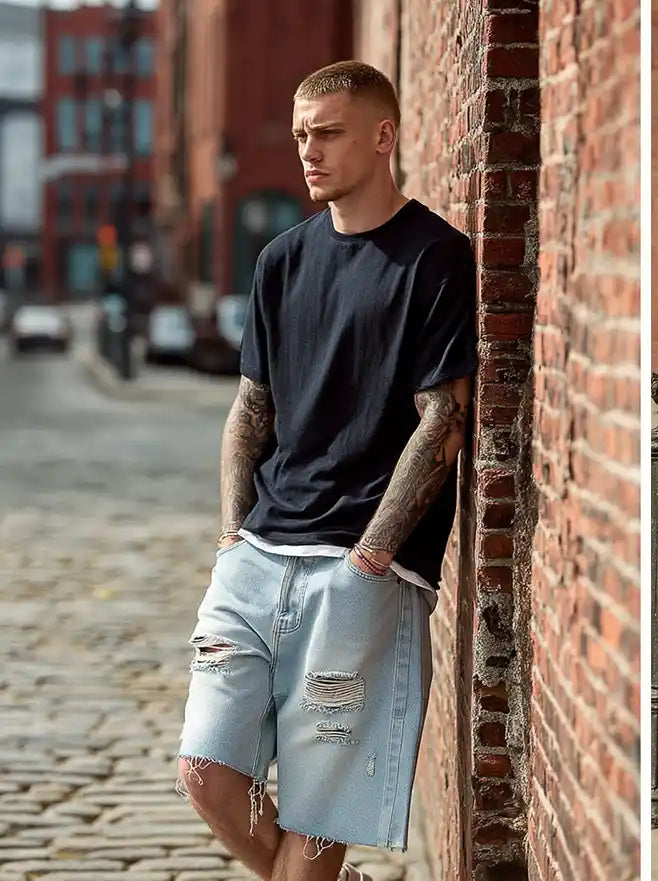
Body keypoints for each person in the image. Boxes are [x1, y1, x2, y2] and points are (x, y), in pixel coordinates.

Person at [175, 60, 476, 881]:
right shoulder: (281, 260)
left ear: (383, 137)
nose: (308, 150)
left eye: (329, 133)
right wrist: (232, 535)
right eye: (303, 133)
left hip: (361, 570)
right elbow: (250, 410)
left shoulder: (437, 257)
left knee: (314, 823)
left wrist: (372, 554)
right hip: (259, 553)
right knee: (206, 774)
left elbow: (443, 419)